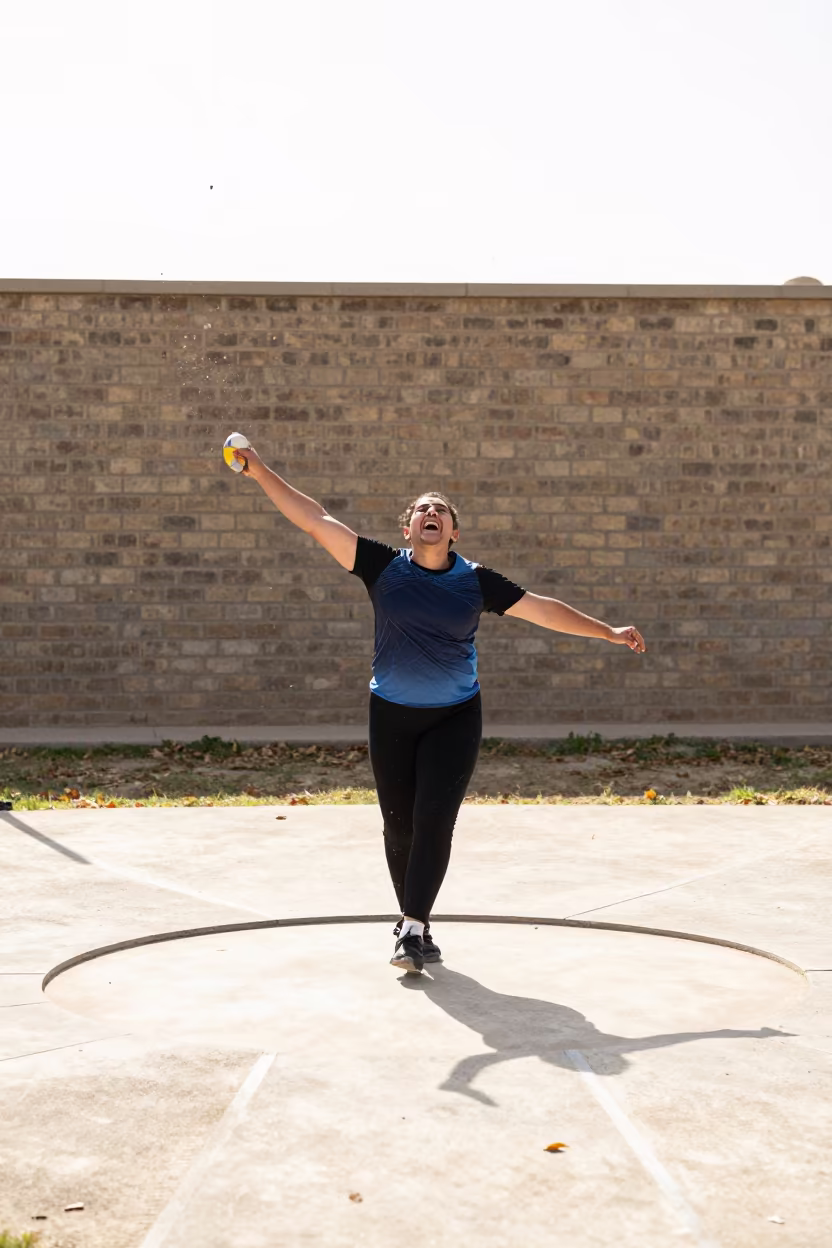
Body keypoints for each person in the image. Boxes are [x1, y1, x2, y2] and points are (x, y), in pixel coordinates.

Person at [231, 444, 646, 974]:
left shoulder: (477, 581)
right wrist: (259, 469)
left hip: (454, 716)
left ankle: (412, 927)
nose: (431, 514)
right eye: (422, 510)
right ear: (408, 530)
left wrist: (607, 632)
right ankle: (414, 920)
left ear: (454, 533)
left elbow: (543, 610)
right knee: (398, 827)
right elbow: (315, 519)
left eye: (440, 511)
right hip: (391, 714)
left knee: (434, 822)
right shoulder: (380, 566)